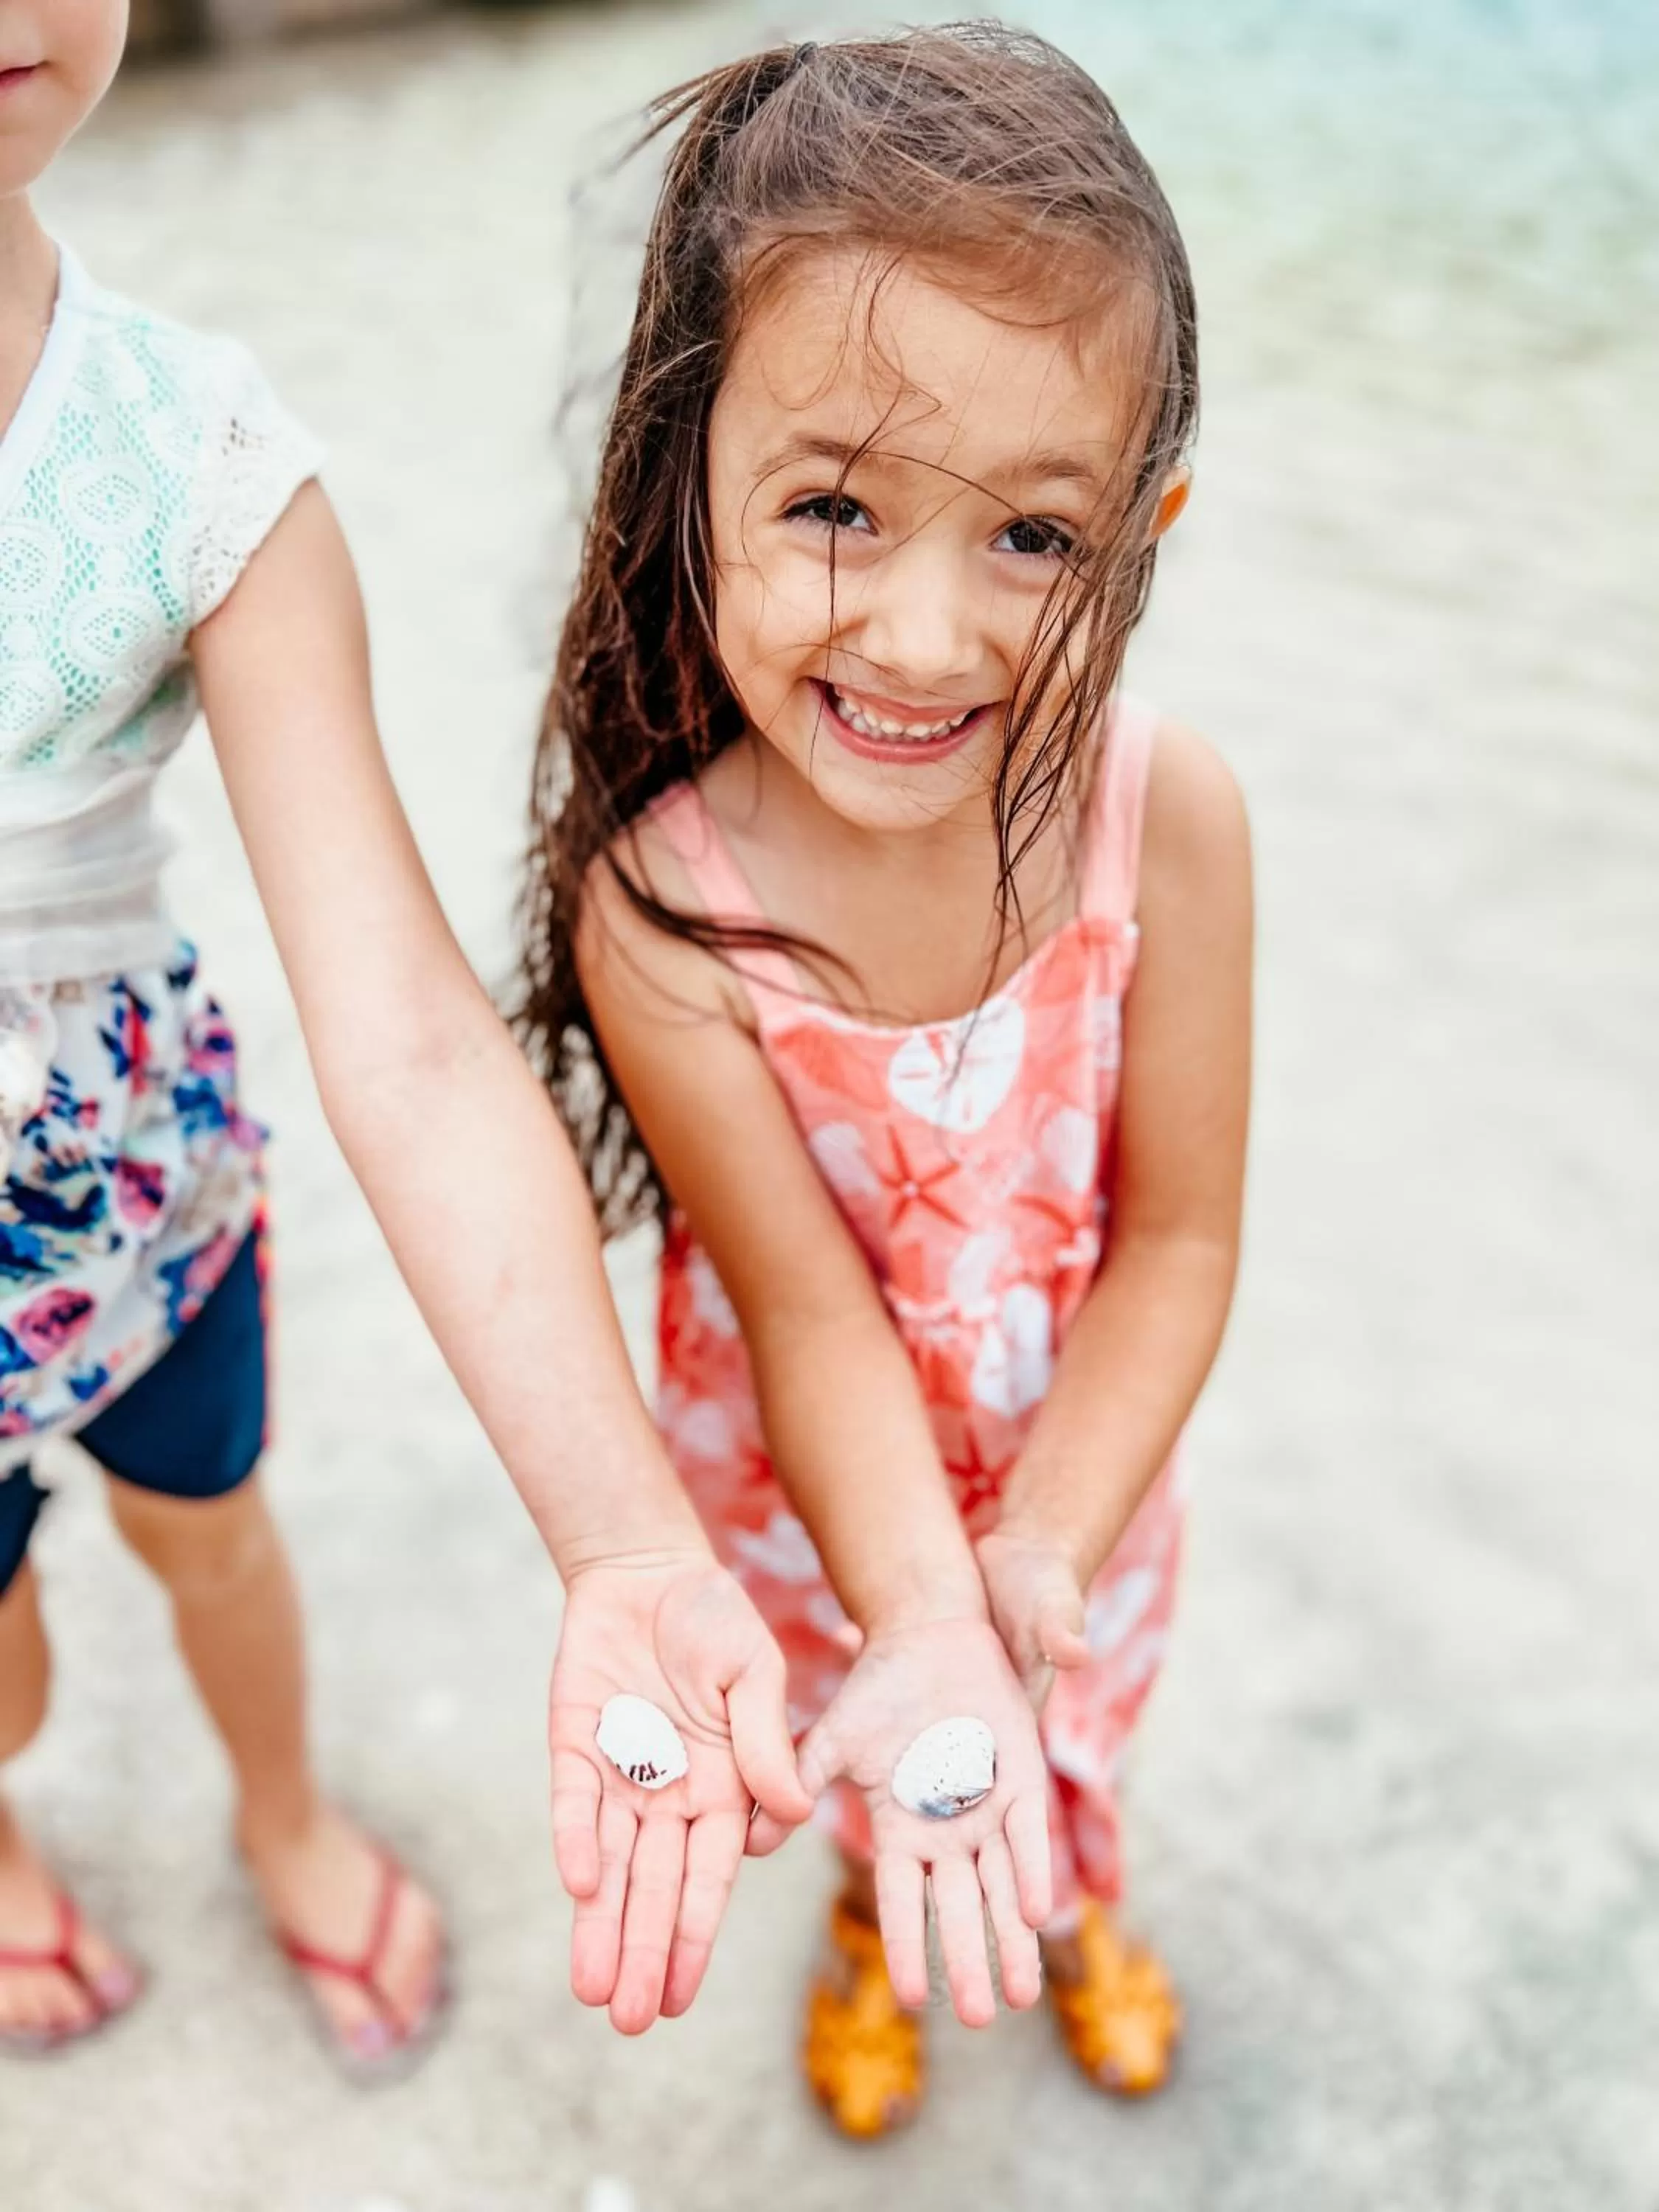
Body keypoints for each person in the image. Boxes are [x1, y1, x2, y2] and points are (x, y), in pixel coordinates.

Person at [0, 0, 807, 2070]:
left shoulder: (193, 461)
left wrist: (621, 1533)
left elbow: (413, 1041)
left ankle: (283, 1810)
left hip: (123, 1197)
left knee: (215, 1534)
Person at [519, 27, 1252, 2135]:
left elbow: (1181, 1246)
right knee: (885, 1746)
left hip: (1080, 1470)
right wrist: (927, 1605)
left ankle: (1080, 1900)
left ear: (1146, 529)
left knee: (1068, 1721)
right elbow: (810, 1311)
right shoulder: (670, 912)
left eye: (1034, 537)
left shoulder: (1167, 825)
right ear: (694, 480)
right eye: (834, 506)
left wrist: (1035, 1560)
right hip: (807, 1491)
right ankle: (874, 1925)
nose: (925, 640)